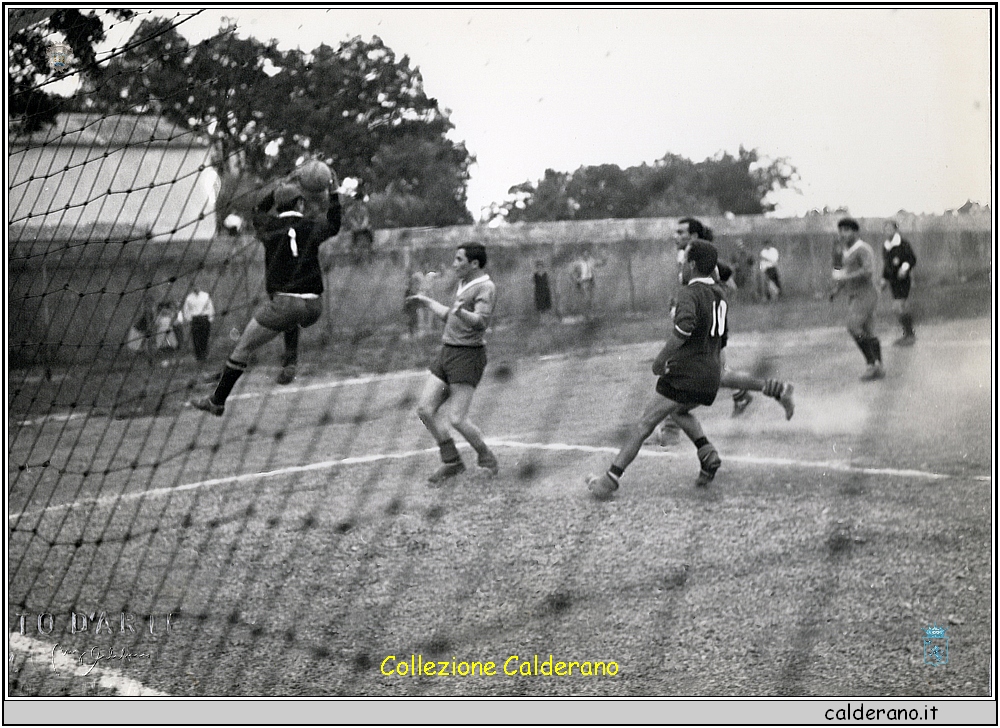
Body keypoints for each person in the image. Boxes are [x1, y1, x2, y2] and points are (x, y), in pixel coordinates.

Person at [190, 178, 341, 416]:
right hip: (315, 305)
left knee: (243, 347)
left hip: (286, 303)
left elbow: (257, 211)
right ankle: (290, 361)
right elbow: (334, 224)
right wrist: (333, 191)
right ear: (300, 204)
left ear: (279, 206)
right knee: (289, 317)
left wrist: (277, 188)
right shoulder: (312, 225)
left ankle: (217, 401)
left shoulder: (269, 226)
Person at [587, 240, 727, 498]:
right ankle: (707, 454)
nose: (682, 266)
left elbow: (683, 328)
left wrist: (660, 360)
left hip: (686, 374)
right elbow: (722, 339)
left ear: (693, 265)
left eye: (685, 261)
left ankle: (609, 480)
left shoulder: (689, 292)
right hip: (710, 374)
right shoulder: (720, 295)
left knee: (644, 424)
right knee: (679, 412)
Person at [407, 243, 500, 484]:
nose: (454, 264)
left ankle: (487, 458)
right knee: (425, 410)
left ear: (474, 264)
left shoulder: (485, 287)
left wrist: (461, 313)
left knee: (457, 418)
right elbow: (451, 315)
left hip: (467, 357)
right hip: (448, 352)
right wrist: (426, 301)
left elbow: (480, 322)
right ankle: (452, 461)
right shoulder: (464, 283)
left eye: (459, 260)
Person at [832, 217, 884, 381]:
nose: (843, 234)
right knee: (869, 331)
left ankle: (870, 364)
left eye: (847, 230)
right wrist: (837, 289)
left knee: (853, 327)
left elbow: (868, 271)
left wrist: (845, 279)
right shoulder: (846, 251)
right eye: (841, 230)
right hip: (855, 295)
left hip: (866, 294)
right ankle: (879, 367)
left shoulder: (862, 249)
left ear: (855, 232)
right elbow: (845, 274)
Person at [881, 220, 917, 346]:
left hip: (903, 280)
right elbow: (886, 266)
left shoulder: (903, 243)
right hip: (893, 282)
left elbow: (912, 258)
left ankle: (909, 334)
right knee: (900, 307)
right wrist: (884, 279)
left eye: (890, 229)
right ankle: (908, 334)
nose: (888, 231)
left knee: (898, 307)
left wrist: (904, 268)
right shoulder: (886, 246)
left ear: (896, 230)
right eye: (886, 229)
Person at [182, 284, 215, 363]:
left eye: (197, 286)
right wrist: (190, 319)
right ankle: (198, 356)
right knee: (196, 338)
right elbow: (186, 310)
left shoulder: (205, 296)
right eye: (194, 287)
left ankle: (204, 355)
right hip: (195, 319)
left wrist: (210, 318)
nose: (196, 288)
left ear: (199, 287)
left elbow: (210, 307)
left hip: (204, 318)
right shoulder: (189, 298)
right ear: (192, 288)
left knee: (205, 336)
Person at [345, 181, 373, 264]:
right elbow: (350, 220)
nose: (358, 203)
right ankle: (355, 255)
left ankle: (371, 249)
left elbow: (366, 218)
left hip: (362, 227)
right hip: (354, 228)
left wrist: (363, 225)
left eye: (359, 201)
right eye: (356, 201)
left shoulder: (364, 209)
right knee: (354, 238)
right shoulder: (350, 210)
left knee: (369, 234)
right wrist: (356, 226)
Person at [570, 247, 599, 320]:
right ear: (582, 254)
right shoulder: (578, 263)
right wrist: (577, 279)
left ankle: (590, 314)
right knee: (585, 298)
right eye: (584, 254)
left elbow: (596, 267)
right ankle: (585, 315)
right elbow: (572, 272)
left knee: (591, 298)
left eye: (587, 254)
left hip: (590, 281)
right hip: (583, 281)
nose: (586, 255)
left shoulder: (591, 261)